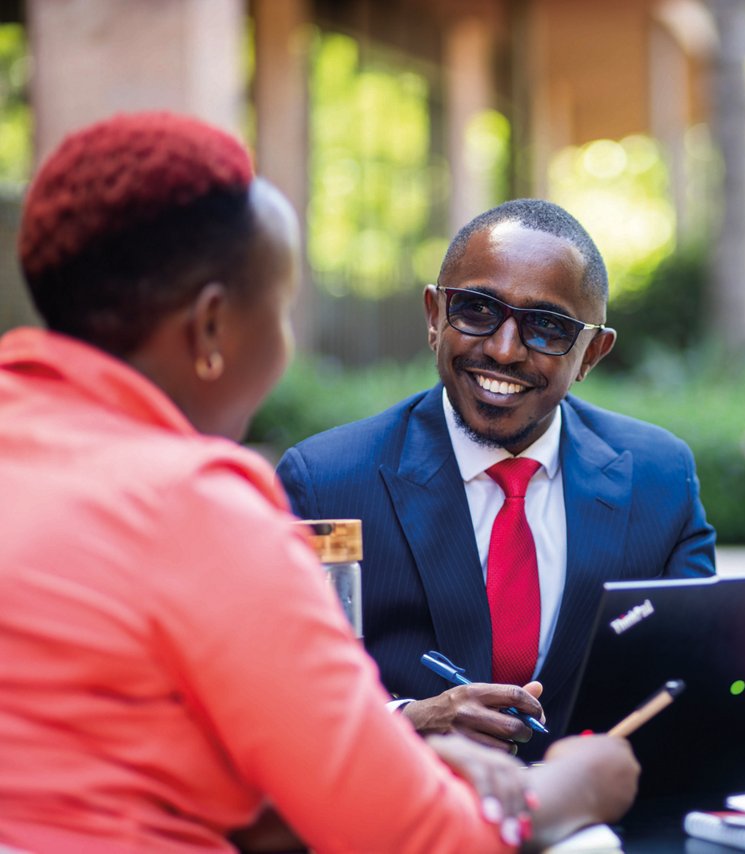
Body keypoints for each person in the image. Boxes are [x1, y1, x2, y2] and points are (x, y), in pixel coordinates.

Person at [0, 111, 639, 853]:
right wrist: (572, 788)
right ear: (212, 329)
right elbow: (424, 838)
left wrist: (402, 752)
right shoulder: (198, 509)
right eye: (280, 306)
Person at [276, 199, 745, 774]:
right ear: (435, 315)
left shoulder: (659, 479)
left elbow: (696, 691)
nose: (503, 350)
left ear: (592, 355)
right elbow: (287, 708)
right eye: (476, 309)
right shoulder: (326, 482)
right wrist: (412, 722)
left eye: (546, 329)